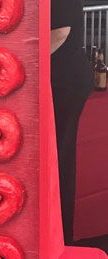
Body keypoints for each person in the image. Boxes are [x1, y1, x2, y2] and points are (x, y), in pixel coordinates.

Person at [51, 0, 92, 245]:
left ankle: (59, 237)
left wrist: (18, 60)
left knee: (58, 162)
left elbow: (59, 33)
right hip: (61, 81)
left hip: (65, 83)